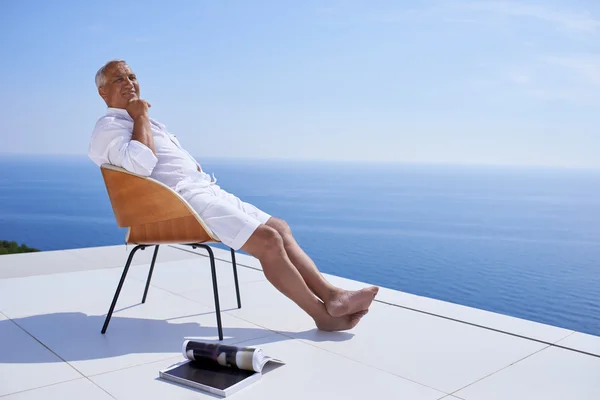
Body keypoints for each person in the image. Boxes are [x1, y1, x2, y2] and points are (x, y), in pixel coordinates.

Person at [88, 59, 379, 332]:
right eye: (118, 79)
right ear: (103, 92)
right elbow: (141, 163)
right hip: (177, 205)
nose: (129, 82)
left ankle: (332, 295)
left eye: (132, 76)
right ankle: (322, 317)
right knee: (268, 241)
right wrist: (140, 115)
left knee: (278, 227)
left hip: (200, 192)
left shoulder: (142, 122)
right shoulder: (109, 127)